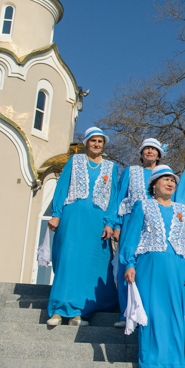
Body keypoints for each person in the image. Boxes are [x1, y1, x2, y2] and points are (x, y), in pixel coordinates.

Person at [120, 165, 185, 368]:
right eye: (165, 179)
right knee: (151, 315)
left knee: (173, 315)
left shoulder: (183, 210)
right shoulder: (142, 206)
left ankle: (166, 367)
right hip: (149, 266)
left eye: (173, 180)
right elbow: (132, 236)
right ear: (153, 184)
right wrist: (129, 263)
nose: (170, 183)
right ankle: (147, 366)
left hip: (177, 269)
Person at [46, 127, 120, 327]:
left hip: (98, 221)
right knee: (69, 260)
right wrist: (56, 214)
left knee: (90, 264)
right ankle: (59, 309)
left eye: (100, 141)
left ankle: (81, 311)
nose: (96, 144)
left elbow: (114, 199)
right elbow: (62, 188)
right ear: (86, 142)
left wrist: (110, 223)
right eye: (93, 141)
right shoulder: (75, 161)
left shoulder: (111, 168)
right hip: (73, 217)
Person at [113, 137, 164, 328]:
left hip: (154, 224)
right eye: (146, 149)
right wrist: (117, 224)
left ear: (159, 154)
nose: (149, 152)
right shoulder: (130, 171)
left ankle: (147, 311)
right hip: (129, 222)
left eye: (153, 149)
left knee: (148, 265)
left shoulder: (163, 174)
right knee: (127, 263)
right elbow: (120, 198)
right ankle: (125, 313)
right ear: (141, 153)